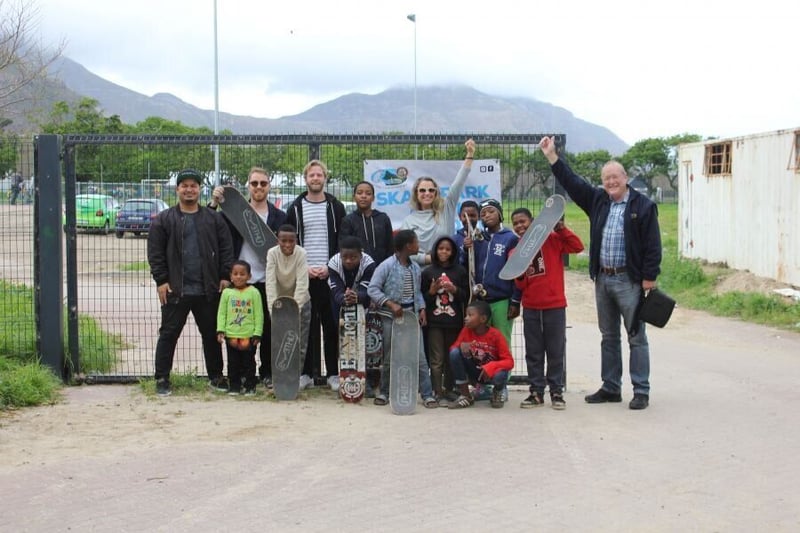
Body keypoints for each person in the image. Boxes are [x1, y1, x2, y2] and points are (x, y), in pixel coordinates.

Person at [539, 136, 662, 410]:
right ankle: (611, 387)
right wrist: (552, 157)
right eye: (606, 178)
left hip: (629, 280)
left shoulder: (643, 206)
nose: (610, 182)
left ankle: (641, 389)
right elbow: (573, 182)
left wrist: (649, 277)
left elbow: (653, 245)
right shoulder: (598, 201)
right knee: (608, 336)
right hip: (603, 278)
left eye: (615, 177)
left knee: (635, 335)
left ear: (625, 177)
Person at [147, 168, 234, 397]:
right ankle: (162, 378)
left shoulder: (213, 218)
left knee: (212, 335)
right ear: (177, 189)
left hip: (208, 288)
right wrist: (161, 280)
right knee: (168, 334)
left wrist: (225, 276)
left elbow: (226, 248)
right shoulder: (164, 220)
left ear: (199, 189)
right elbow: (155, 253)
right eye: (184, 185)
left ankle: (216, 376)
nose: (189, 189)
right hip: (176, 289)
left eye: (193, 186)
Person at [210, 167, 286, 389]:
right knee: (239, 328)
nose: (259, 187)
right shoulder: (232, 214)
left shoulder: (279, 216)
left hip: (268, 282)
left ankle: (267, 373)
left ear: (269, 186)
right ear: (248, 186)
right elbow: (211, 226)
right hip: (240, 283)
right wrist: (214, 203)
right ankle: (241, 374)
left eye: (263, 183)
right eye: (254, 183)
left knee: (268, 330)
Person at [511, 207, 584, 410]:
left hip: (554, 305)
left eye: (523, 221)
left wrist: (561, 228)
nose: (519, 226)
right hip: (532, 307)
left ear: (533, 222)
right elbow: (520, 285)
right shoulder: (515, 252)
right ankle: (536, 392)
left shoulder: (552, 239)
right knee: (533, 351)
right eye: (515, 223)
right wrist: (519, 274)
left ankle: (556, 392)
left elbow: (577, 247)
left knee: (555, 350)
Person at [285, 160, 347, 391]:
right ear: (306, 179)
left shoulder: (336, 207)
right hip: (304, 275)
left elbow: (342, 240)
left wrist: (330, 267)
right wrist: (304, 267)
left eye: (319, 175)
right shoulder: (295, 208)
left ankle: (333, 373)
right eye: (311, 175)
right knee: (306, 326)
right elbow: (289, 241)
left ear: (325, 178)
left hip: (329, 275)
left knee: (331, 326)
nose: (315, 178)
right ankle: (306, 374)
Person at [367, 229, 438, 409]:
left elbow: (417, 292)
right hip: (391, 317)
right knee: (391, 355)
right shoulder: (386, 266)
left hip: (411, 316)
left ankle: (427, 394)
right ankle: (385, 392)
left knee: (419, 355)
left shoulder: (414, 267)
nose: (418, 246)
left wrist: (421, 308)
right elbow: (373, 289)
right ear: (408, 245)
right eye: (416, 242)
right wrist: (391, 304)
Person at [401, 139, 475, 265]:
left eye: (431, 190)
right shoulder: (409, 221)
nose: (427, 193)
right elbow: (405, 253)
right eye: (422, 190)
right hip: (421, 275)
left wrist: (470, 155)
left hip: (447, 271)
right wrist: (430, 259)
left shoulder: (446, 208)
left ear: (436, 193)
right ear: (416, 194)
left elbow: (459, 182)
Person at [463, 198, 521, 347]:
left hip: (502, 299)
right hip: (481, 301)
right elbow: (467, 266)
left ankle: (503, 371)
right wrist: (466, 249)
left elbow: (517, 272)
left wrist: (515, 300)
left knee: (502, 341)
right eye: (483, 214)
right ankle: (487, 370)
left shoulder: (511, 238)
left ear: (500, 214)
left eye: (491, 211)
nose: (487, 215)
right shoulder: (478, 239)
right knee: (483, 342)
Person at [421, 235, 469, 405]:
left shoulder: (460, 271)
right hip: (434, 323)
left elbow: (466, 296)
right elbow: (422, 299)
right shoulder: (427, 272)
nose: (444, 252)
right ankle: (437, 391)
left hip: (454, 322)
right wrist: (432, 291)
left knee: (450, 358)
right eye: (441, 248)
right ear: (435, 250)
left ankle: (449, 389)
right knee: (436, 358)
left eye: (448, 249)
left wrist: (454, 289)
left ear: (453, 251)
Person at [265, 224, 311, 382]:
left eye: (291, 241)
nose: (287, 245)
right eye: (283, 240)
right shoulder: (272, 253)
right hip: (279, 303)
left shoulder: (301, 253)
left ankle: (295, 378)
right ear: (278, 240)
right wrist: (273, 309)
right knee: (279, 340)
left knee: (300, 342)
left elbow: (302, 284)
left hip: (301, 302)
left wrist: (295, 309)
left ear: (296, 240)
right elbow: (270, 283)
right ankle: (279, 377)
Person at [447, 300, 514, 409]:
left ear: (483, 319)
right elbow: (453, 349)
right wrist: (461, 346)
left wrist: (490, 367)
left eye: (470, 315)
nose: (466, 318)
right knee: (454, 353)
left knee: (501, 374)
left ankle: (497, 392)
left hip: (490, 373)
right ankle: (465, 395)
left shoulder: (495, 335)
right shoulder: (466, 330)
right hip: (475, 372)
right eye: (466, 315)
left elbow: (509, 362)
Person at [216, 260, 264, 396]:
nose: (238, 277)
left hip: (248, 336)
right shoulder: (227, 293)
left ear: (249, 276)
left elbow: (259, 314)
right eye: (235, 274)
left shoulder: (254, 292)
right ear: (230, 276)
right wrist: (220, 330)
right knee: (233, 363)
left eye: (242, 274)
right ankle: (235, 386)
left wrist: (257, 333)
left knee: (249, 362)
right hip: (231, 335)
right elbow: (221, 313)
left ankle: (250, 386)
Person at [340, 181, 394, 266]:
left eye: (368, 193)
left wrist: (386, 267)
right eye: (359, 193)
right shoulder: (348, 220)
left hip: (382, 268)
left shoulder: (383, 218)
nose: (363, 196)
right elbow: (344, 248)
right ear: (354, 197)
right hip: (357, 270)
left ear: (373, 198)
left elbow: (390, 246)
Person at [328, 236, 376, 320]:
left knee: (363, 327)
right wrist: (345, 298)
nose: (348, 261)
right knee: (338, 326)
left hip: (362, 301)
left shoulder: (369, 264)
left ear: (361, 255)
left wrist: (356, 296)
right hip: (339, 300)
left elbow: (366, 290)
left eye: (353, 257)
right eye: (345, 257)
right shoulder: (333, 263)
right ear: (340, 255)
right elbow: (337, 291)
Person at [452, 200, 480, 265]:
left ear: (479, 217)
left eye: (472, 215)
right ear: (460, 217)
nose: (469, 219)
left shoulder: (484, 238)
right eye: (465, 216)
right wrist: (465, 250)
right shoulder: (454, 240)